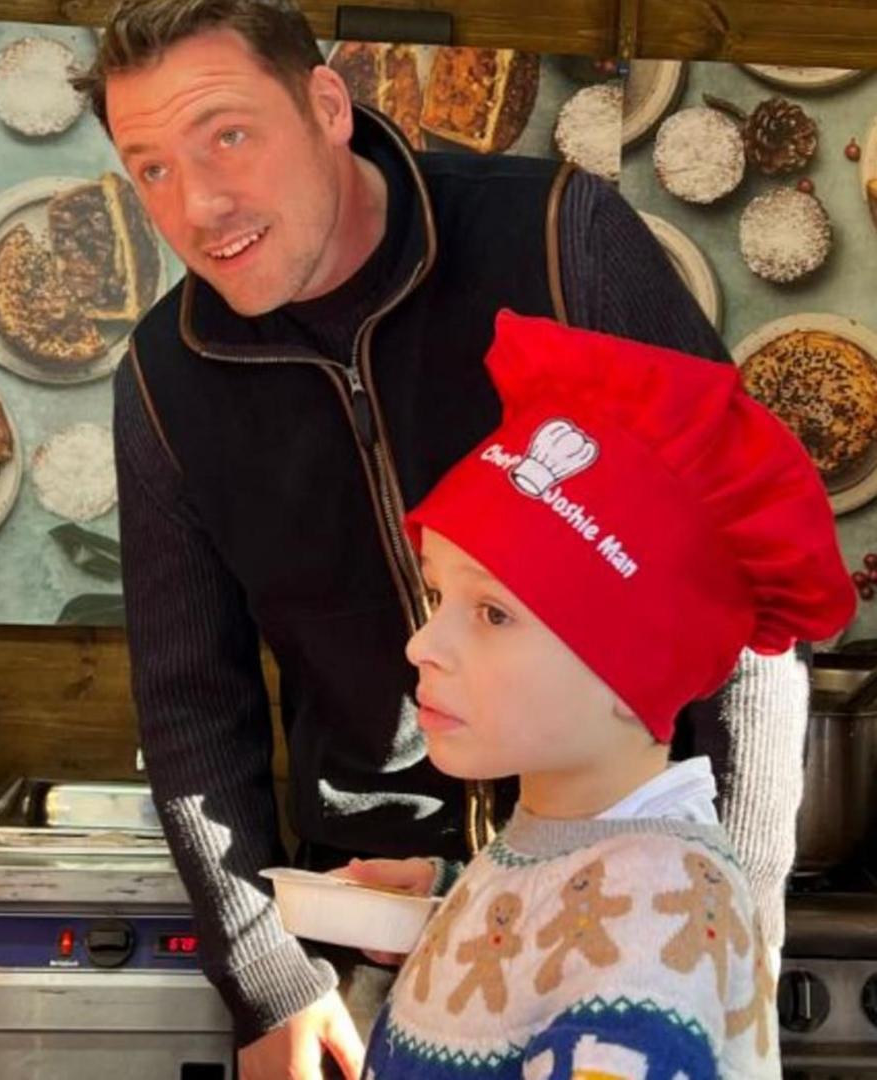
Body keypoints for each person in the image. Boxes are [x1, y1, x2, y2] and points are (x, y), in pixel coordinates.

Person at [73, 1, 810, 1075]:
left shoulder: (562, 243)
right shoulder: (163, 381)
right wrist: (268, 978)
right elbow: (190, 699)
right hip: (376, 929)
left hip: (634, 899)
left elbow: (738, 589)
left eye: (228, 134)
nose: (200, 203)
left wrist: (732, 914)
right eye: (151, 168)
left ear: (327, 104)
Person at [348, 312, 850, 1078]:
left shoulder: (656, 926)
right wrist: (447, 905)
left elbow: (611, 969)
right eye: (436, 595)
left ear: (633, 674)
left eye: (491, 613)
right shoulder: (575, 846)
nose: (422, 645)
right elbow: (562, 946)